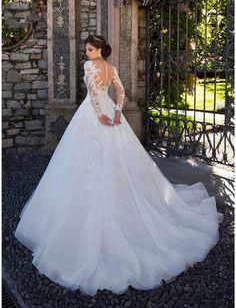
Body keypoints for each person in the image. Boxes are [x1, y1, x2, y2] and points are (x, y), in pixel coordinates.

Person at [14, 35, 224, 297]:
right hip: (111, 111)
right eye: (86, 49)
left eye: (89, 49)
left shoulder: (90, 67)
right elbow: (122, 93)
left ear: (99, 49)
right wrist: (116, 112)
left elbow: (92, 93)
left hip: (93, 114)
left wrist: (100, 114)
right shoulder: (111, 68)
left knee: (84, 162)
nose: (87, 53)